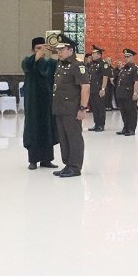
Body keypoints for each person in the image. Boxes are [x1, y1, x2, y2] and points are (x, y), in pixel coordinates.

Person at [51, 35, 90, 178]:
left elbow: (85, 87)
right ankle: (67, 164)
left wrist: (82, 108)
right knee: (64, 138)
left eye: (62, 49)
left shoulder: (77, 65)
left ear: (70, 50)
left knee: (74, 138)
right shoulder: (61, 64)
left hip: (72, 109)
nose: (59, 52)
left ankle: (75, 167)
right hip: (60, 108)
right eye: (58, 49)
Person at [21, 37, 59, 171]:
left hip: (47, 102)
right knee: (33, 130)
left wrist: (55, 50)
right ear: (33, 49)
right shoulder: (27, 61)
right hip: (33, 103)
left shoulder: (49, 64)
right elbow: (29, 65)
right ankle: (33, 160)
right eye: (38, 48)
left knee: (47, 129)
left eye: (43, 47)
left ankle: (46, 159)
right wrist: (40, 52)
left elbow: (59, 65)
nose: (41, 50)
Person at [115, 49, 138, 136]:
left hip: (130, 94)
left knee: (131, 112)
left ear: (133, 57)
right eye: (125, 57)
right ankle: (125, 128)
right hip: (122, 94)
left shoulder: (136, 69)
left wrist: (135, 93)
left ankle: (131, 129)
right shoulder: (124, 69)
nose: (126, 58)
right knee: (124, 112)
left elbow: (137, 81)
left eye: (128, 57)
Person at [87, 45, 111, 132]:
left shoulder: (103, 64)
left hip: (99, 89)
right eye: (92, 53)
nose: (92, 55)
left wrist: (103, 89)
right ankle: (96, 124)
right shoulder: (92, 64)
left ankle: (101, 125)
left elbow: (105, 77)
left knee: (100, 107)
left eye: (94, 54)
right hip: (92, 89)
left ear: (99, 55)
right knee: (94, 107)